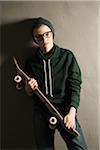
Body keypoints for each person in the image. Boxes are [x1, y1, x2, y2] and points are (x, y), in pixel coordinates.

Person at [25, 17, 88, 150]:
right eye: (38, 36)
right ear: (35, 39)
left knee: (79, 148)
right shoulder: (31, 62)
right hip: (42, 112)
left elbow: (75, 86)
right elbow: (28, 92)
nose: (44, 39)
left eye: (47, 34)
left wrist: (71, 113)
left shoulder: (67, 57)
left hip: (65, 111)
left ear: (52, 34)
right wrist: (29, 88)